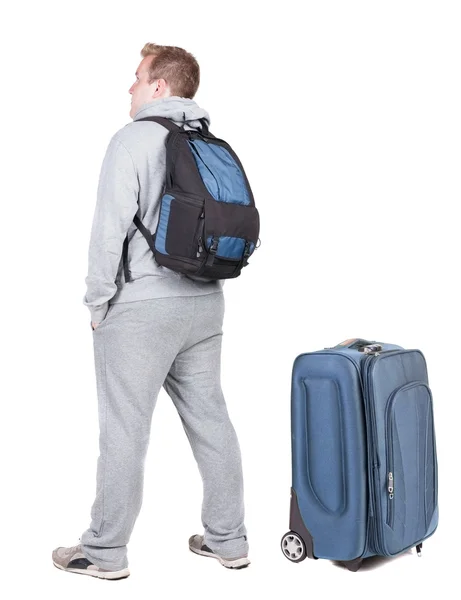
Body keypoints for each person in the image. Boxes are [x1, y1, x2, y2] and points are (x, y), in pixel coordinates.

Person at [52, 43, 249, 580]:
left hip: (140, 309)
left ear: (160, 87)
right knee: (212, 423)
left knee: (124, 431)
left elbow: (108, 227)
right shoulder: (209, 141)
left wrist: (97, 301)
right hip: (206, 306)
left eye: (137, 78)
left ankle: (105, 552)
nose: (131, 87)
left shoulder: (132, 139)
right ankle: (229, 541)